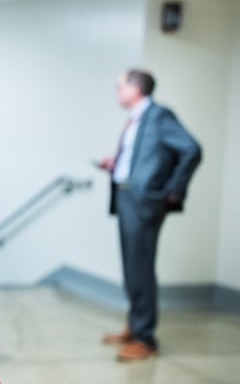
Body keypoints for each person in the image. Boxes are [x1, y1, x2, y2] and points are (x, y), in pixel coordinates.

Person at [97, 68, 201, 362]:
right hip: (127, 197)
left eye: (120, 86)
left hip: (144, 202)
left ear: (136, 88)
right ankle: (135, 325)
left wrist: (171, 190)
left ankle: (146, 339)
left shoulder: (158, 115)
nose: (117, 91)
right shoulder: (137, 119)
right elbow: (141, 160)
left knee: (140, 268)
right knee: (132, 267)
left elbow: (192, 149)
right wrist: (114, 165)